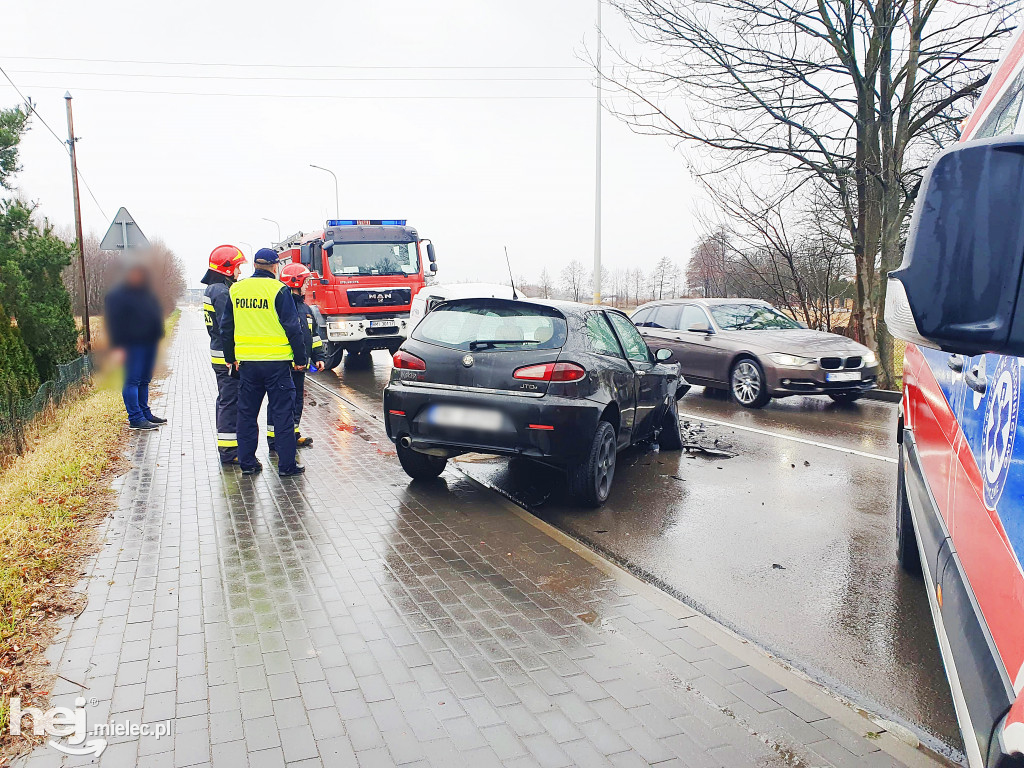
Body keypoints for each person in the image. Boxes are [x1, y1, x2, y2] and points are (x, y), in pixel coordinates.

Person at [221, 248, 307, 477]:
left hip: (248, 364)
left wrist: (230, 358)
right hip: (277, 364)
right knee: (282, 414)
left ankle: (248, 463)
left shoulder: (236, 290)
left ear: (255, 266)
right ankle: (286, 466)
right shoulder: (279, 289)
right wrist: (300, 359)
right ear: (274, 266)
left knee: (247, 413)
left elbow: (226, 327)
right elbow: (293, 327)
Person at [269, 263, 325, 452]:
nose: (308, 285)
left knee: (297, 400)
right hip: (285, 364)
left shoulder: (306, 308)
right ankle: (274, 439)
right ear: (296, 282)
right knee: (280, 402)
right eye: (306, 281)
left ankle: (293, 434)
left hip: (301, 365)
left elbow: (314, 335)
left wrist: (319, 356)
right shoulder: (283, 306)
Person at [104, 262, 166, 430]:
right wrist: (117, 346)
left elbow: (155, 314)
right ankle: (135, 418)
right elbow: (113, 322)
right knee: (132, 380)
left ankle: (145, 413)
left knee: (145, 379)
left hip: (149, 343)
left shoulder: (146, 293)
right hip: (131, 344)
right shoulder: (117, 295)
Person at [201, 245, 247, 464]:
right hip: (226, 358)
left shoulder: (212, 289)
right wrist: (234, 357)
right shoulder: (221, 292)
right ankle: (229, 452)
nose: (239, 272)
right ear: (227, 268)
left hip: (218, 354)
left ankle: (230, 447)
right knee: (230, 402)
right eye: (237, 267)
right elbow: (227, 327)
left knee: (226, 400)